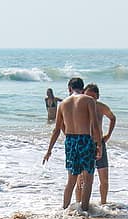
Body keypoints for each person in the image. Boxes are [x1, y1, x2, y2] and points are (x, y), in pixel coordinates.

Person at [42, 77, 103, 212]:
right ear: (83, 89)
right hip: (85, 140)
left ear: (69, 89)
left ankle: (64, 211)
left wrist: (49, 150)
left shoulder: (63, 103)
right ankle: (85, 210)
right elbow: (94, 125)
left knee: (71, 180)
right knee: (88, 178)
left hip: (70, 141)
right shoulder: (89, 100)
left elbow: (57, 129)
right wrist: (98, 145)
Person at [82, 83, 116, 205]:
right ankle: (80, 204)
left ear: (98, 97)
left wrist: (108, 135)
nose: (90, 100)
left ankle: (103, 204)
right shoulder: (80, 107)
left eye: (93, 97)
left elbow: (112, 118)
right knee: (81, 179)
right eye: (87, 97)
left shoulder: (101, 107)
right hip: (85, 143)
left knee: (104, 178)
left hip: (99, 143)